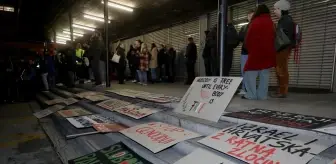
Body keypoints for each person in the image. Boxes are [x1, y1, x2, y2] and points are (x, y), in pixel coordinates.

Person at [242, 4, 276, 100]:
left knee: (250, 73)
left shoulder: (255, 22)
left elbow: (248, 38)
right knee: (264, 75)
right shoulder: (271, 22)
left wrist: (250, 49)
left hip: (256, 52)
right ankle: (262, 95)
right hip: (268, 53)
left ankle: (251, 94)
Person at [273, 0, 294, 98]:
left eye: (276, 9)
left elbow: (283, 38)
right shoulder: (285, 20)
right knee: (280, 70)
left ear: (282, 9)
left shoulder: (285, 21)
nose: (274, 11)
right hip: (282, 48)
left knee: (282, 70)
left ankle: (282, 91)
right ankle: (281, 90)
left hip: (282, 49)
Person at [238, 9, 254, 95]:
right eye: (249, 16)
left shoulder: (256, 26)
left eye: (252, 15)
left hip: (253, 53)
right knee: (243, 71)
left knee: (252, 72)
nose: (250, 17)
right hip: (244, 52)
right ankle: (244, 88)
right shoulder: (244, 27)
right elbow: (239, 38)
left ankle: (250, 89)